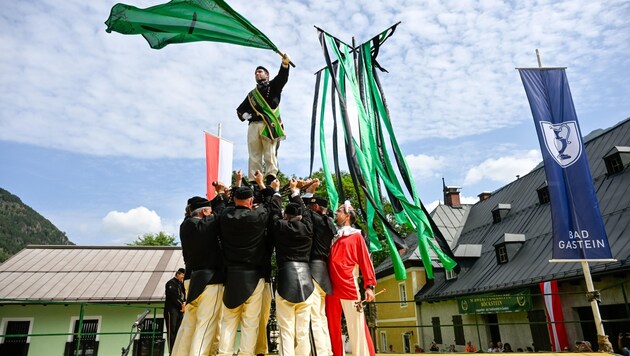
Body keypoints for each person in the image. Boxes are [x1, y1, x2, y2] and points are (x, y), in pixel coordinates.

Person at [217, 171, 276, 356]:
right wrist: (261, 184)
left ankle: (224, 353)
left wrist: (237, 183)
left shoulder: (225, 216)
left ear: (234, 201)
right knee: (251, 323)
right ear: (251, 202)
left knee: (228, 322)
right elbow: (271, 206)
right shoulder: (257, 216)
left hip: (232, 276)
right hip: (254, 276)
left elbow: (222, 206)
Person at [171, 192, 226, 356]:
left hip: (190, 279)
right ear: (204, 212)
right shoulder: (206, 224)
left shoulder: (185, 225)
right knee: (206, 325)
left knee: (189, 325)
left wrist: (217, 198)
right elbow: (220, 214)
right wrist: (222, 196)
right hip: (209, 281)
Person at [326, 200, 377, 356]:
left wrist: (369, 286)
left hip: (349, 285)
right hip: (331, 287)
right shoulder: (334, 237)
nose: (336, 213)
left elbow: (365, 261)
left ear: (347, 215)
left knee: (357, 326)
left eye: (340, 211)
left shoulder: (356, 237)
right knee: (332, 326)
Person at [270, 178, 314, 355]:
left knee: (286, 330)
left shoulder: (280, 226)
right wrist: (295, 193)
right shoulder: (308, 228)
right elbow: (307, 213)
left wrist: (276, 193)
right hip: (306, 281)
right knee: (303, 331)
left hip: (286, 279)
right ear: (301, 217)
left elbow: (274, 213)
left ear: (285, 216)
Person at [236, 54, 291, 184]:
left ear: (267, 75)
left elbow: (282, 78)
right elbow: (240, 110)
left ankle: (271, 176)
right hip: (253, 125)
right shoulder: (252, 95)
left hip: (268, 124)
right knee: (254, 154)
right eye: (256, 73)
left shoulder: (274, 86)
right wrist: (247, 115)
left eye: (260, 72)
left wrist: (284, 64)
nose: (257, 74)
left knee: (270, 153)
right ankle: (254, 180)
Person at [303, 179, 335, 356]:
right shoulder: (329, 223)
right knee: (321, 317)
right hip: (324, 273)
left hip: (313, 271)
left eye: (311, 206)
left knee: (313, 316)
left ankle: (320, 353)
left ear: (316, 208)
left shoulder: (313, 218)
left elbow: (302, 207)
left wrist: (309, 192)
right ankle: (327, 351)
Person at [164, 268, 186, 353]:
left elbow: (184, 295)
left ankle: (177, 351)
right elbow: (173, 296)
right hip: (171, 310)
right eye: (182, 275)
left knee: (178, 331)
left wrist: (184, 303)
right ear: (178, 274)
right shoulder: (171, 283)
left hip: (180, 310)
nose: (183, 277)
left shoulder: (181, 284)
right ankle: (171, 351)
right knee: (171, 331)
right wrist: (182, 304)